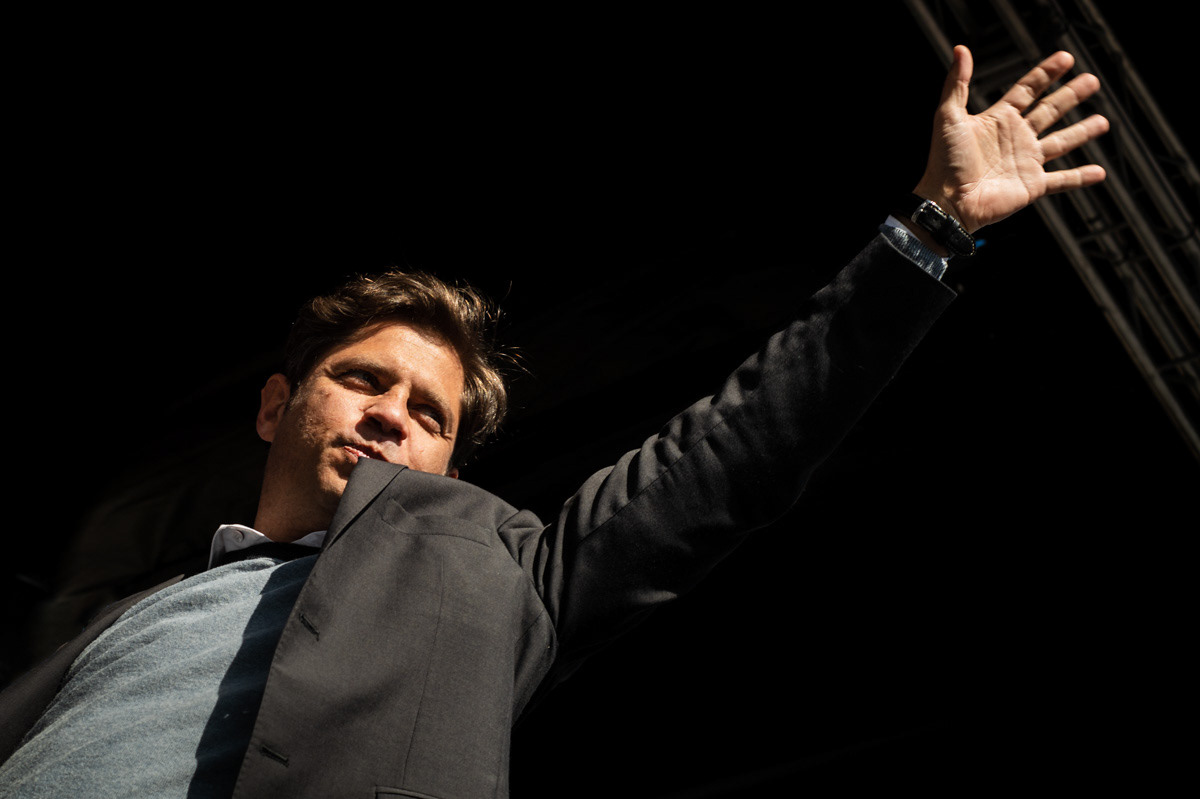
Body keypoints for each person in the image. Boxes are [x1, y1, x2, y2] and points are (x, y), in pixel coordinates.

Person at [0, 46, 1109, 798]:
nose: (391, 416)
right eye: (364, 381)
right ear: (279, 404)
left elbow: (731, 447)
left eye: (427, 414)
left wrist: (933, 230)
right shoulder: (128, 615)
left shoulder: (501, 580)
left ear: (442, 464)